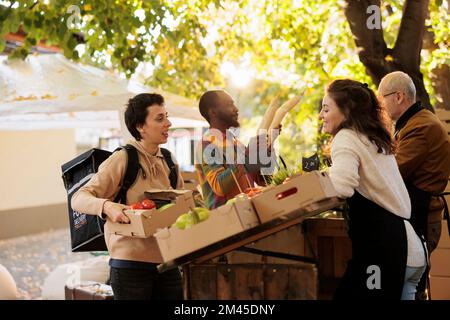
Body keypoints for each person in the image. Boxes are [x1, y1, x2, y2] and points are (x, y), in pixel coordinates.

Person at [319, 79, 426, 300]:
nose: (321, 114)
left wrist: (305, 190)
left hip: (384, 253)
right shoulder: (372, 137)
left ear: (346, 111)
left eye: (326, 108)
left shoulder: (346, 137)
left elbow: (342, 187)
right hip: (409, 250)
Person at [71, 93, 184, 300]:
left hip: (167, 264)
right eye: (160, 119)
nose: (168, 123)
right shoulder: (123, 158)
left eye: (166, 116)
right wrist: (107, 207)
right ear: (141, 126)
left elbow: (182, 203)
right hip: (130, 268)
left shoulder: (169, 161)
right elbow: (78, 198)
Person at [378, 71, 450, 298]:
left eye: (382, 99)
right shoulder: (411, 122)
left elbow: (393, 172)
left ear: (398, 96)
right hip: (415, 215)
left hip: (421, 218)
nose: (380, 106)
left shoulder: (421, 127)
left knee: (410, 288)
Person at [195, 90, 276, 210]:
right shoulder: (207, 144)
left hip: (247, 211)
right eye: (229, 105)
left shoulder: (235, 142)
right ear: (213, 112)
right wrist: (244, 161)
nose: (236, 109)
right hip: (227, 219)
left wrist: (269, 148)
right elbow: (219, 186)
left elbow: (263, 181)